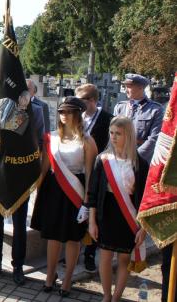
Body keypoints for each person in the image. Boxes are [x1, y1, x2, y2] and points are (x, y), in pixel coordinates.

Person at [0, 83, 45, 285]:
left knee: (19, 223)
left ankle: (18, 267)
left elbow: (39, 141)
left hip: (20, 174)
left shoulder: (36, 112)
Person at [31, 97, 98, 297]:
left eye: (69, 112)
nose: (64, 115)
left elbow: (89, 174)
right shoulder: (51, 137)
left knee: (72, 238)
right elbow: (44, 168)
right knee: (52, 237)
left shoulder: (87, 140)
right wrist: (37, 189)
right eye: (61, 112)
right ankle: (50, 276)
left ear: (78, 114)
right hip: (53, 190)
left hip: (75, 192)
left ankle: (67, 279)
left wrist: (87, 203)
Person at [87, 116, 148, 302]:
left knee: (123, 259)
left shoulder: (140, 164)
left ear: (128, 135)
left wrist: (143, 228)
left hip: (128, 217)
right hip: (107, 213)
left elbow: (146, 199)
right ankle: (106, 296)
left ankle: (116, 298)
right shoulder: (103, 159)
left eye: (118, 133)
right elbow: (93, 192)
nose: (113, 137)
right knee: (104, 257)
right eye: (111, 133)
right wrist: (92, 221)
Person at [75, 83, 114, 272]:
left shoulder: (107, 119)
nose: (78, 105)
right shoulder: (78, 117)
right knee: (78, 209)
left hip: (99, 172)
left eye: (81, 101)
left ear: (92, 100)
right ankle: (74, 250)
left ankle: (90, 253)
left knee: (93, 211)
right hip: (79, 171)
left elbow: (111, 146)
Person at [114, 73, 163, 163]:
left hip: (141, 161)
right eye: (125, 87)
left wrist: (135, 157)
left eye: (129, 87)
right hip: (118, 157)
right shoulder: (120, 107)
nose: (126, 90)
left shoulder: (156, 109)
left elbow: (154, 139)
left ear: (140, 87)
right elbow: (112, 133)